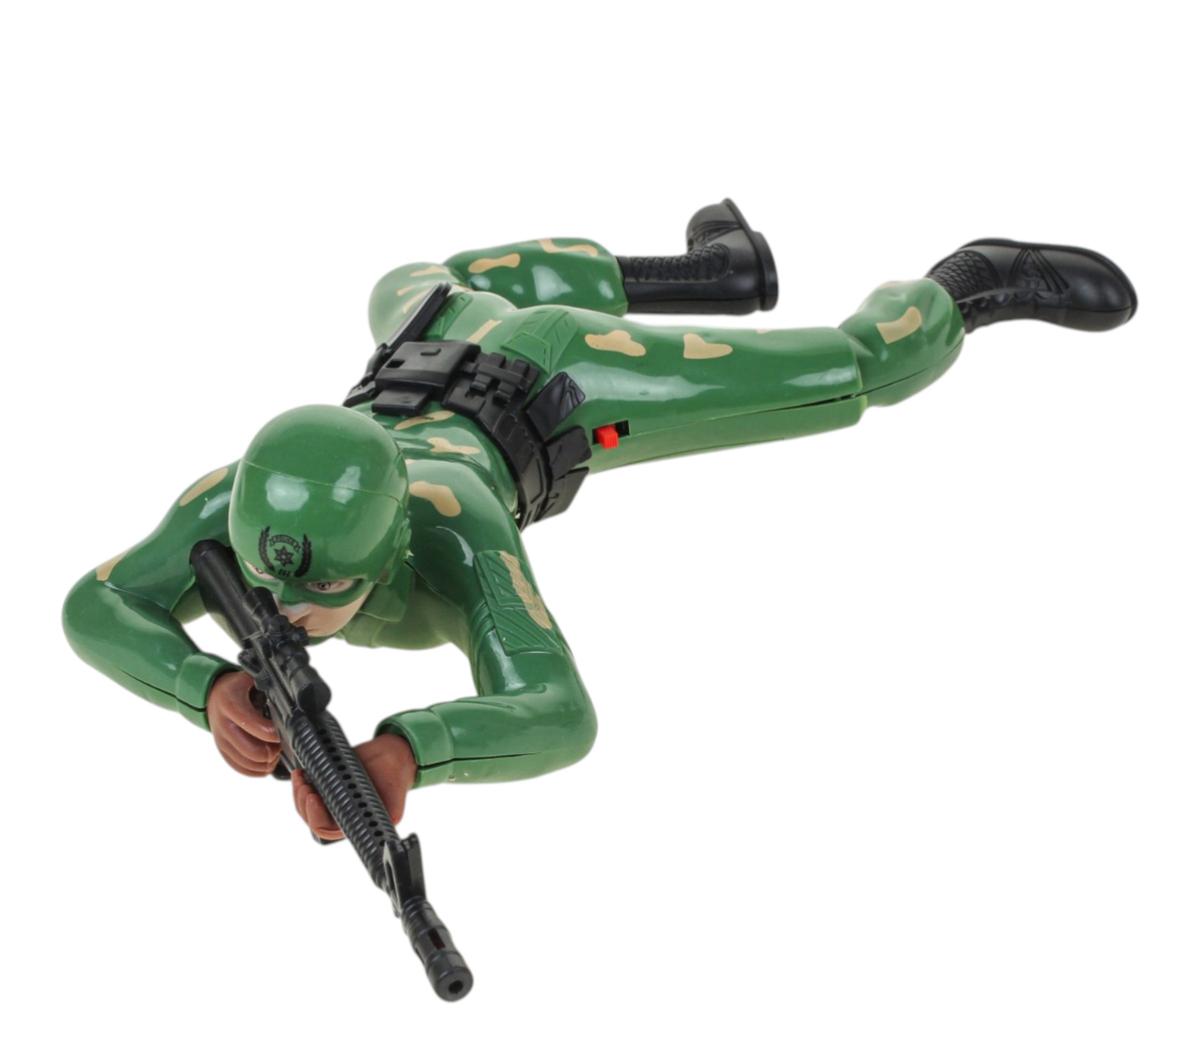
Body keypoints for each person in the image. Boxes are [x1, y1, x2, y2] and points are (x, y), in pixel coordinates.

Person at [62, 201, 1137, 840]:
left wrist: (410, 752)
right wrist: (203, 686)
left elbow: (559, 711)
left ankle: (971, 281)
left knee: (858, 371)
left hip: (565, 373)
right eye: (266, 584)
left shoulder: (455, 528)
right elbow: (93, 602)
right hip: (432, 338)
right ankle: (715, 271)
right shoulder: (241, 496)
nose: (287, 613)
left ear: (387, 551)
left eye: (320, 591)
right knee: (413, 277)